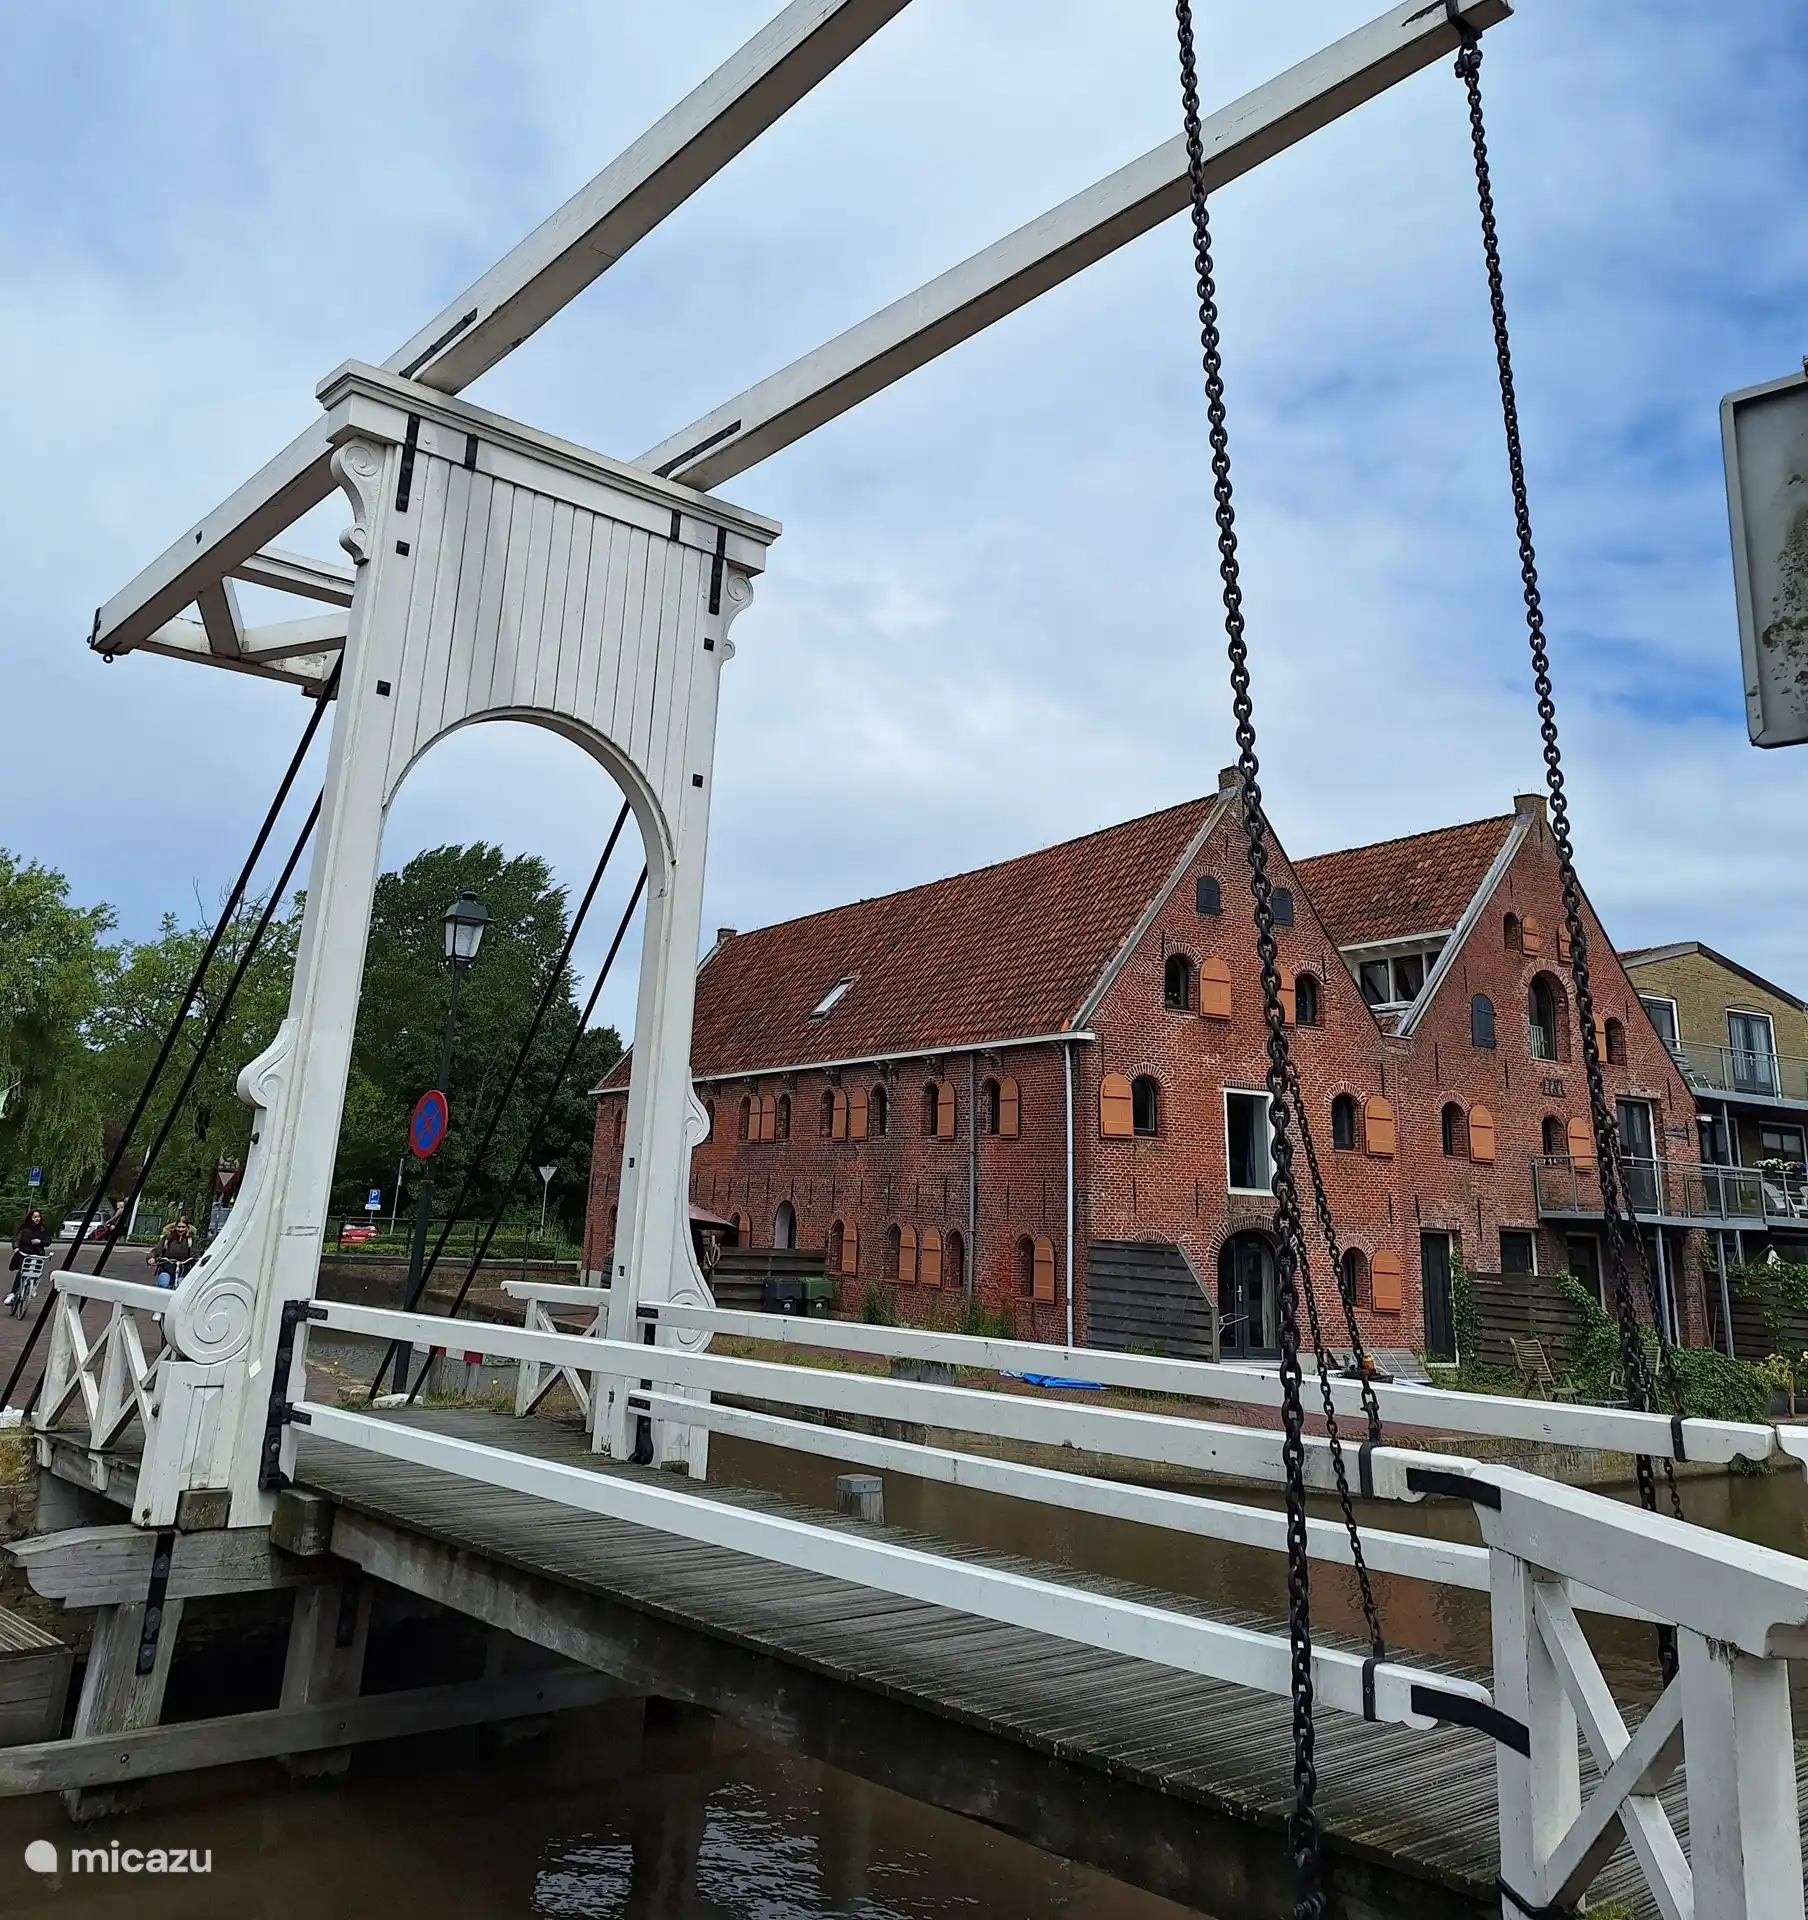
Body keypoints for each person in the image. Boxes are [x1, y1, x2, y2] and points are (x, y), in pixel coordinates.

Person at [7, 1208, 48, 1310]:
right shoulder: (24, 1228)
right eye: (34, 1217)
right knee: (22, 1272)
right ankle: (12, 1294)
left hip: (37, 1254)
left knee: (37, 1271)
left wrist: (40, 1242)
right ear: (30, 1218)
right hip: (24, 1253)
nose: (37, 1219)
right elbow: (16, 1238)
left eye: (38, 1217)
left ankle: (32, 1288)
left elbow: (48, 1240)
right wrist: (16, 1248)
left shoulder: (43, 1228)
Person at [148, 1212, 196, 1288]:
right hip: (166, 1268)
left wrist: (198, 1260)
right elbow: (158, 1249)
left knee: (182, 1289)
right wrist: (152, 1257)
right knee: (163, 1285)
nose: (180, 1229)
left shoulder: (191, 1240)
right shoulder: (167, 1238)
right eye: (178, 1227)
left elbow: (196, 1253)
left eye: (183, 1227)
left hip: (183, 1270)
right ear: (175, 1227)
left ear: (187, 1228)